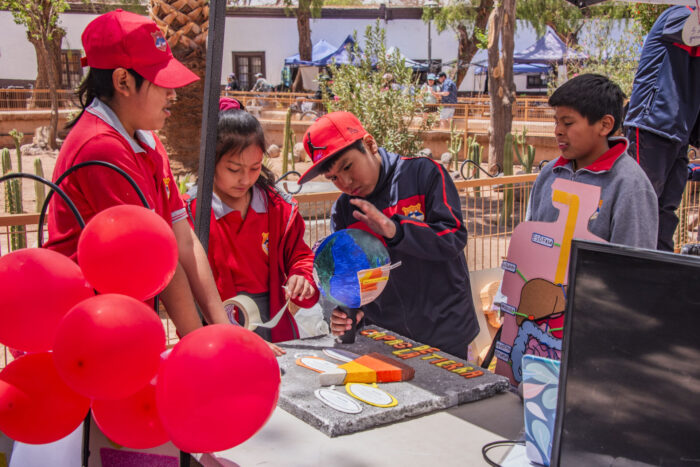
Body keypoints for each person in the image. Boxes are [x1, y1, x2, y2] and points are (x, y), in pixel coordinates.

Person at [44, 9, 230, 336]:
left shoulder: (145, 140)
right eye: (161, 83)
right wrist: (201, 343)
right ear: (123, 81)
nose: (173, 94)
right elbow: (160, 260)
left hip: (123, 320)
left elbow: (182, 240)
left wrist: (223, 329)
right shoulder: (101, 147)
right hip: (89, 329)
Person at [298, 111, 480, 360]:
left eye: (348, 166)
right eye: (333, 178)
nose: (346, 182)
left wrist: (395, 230)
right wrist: (347, 313)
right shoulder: (344, 210)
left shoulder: (423, 174)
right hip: (386, 338)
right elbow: (352, 278)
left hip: (445, 334)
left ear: (369, 144)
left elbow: (453, 237)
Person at [185, 103, 319, 347]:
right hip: (215, 326)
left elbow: (300, 256)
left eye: (255, 168)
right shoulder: (192, 213)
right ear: (210, 161)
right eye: (233, 169)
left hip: (273, 323)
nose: (245, 179)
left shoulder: (278, 208)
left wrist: (301, 277)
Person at [529, 73, 658, 249]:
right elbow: (532, 240)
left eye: (567, 123)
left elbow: (633, 266)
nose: (558, 131)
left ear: (605, 125)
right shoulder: (548, 174)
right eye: (556, 122)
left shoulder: (630, 185)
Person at [623, 5, 700, 251]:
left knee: (666, 210)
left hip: (679, 132)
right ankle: (628, 271)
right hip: (652, 124)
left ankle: (658, 273)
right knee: (641, 206)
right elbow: (689, 30)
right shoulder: (681, 14)